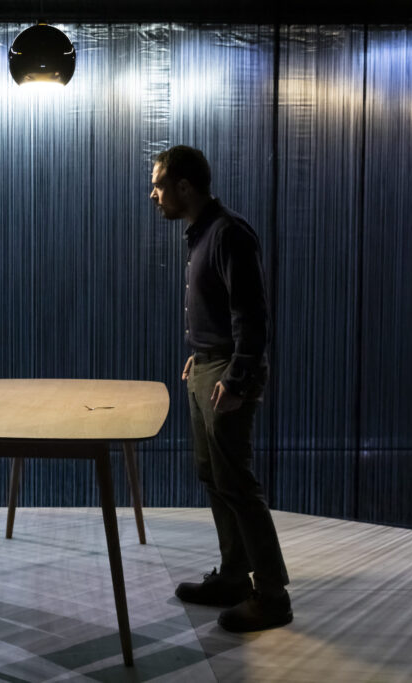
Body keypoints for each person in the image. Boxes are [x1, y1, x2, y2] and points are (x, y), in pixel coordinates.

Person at [149, 146, 292, 632]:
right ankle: (234, 577)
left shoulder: (229, 233)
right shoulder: (202, 233)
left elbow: (253, 317)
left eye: (159, 185)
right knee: (213, 475)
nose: (153, 195)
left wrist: (234, 378)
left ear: (184, 186)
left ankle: (272, 595)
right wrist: (204, 352)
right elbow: (224, 310)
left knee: (236, 482)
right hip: (207, 365)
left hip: (226, 374)